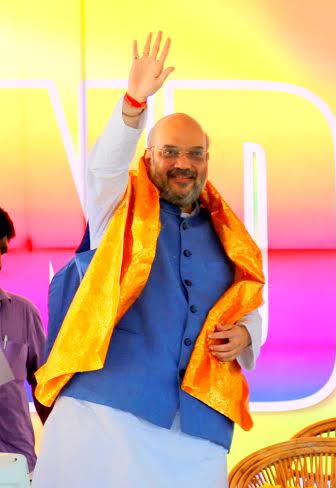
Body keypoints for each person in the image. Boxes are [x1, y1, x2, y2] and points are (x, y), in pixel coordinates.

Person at [32, 32, 265, 488]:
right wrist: (133, 103)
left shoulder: (229, 235)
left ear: (207, 160)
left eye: (195, 154)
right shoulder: (117, 210)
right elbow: (104, 168)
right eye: (170, 152)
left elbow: (249, 310)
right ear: (149, 156)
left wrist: (245, 336)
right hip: (104, 419)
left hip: (195, 431)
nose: (184, 163)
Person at [0, 207, 50, 477]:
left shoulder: (23, 312)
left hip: (16, 469)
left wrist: (58, 449)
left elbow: (43, 385)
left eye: (1, 251)